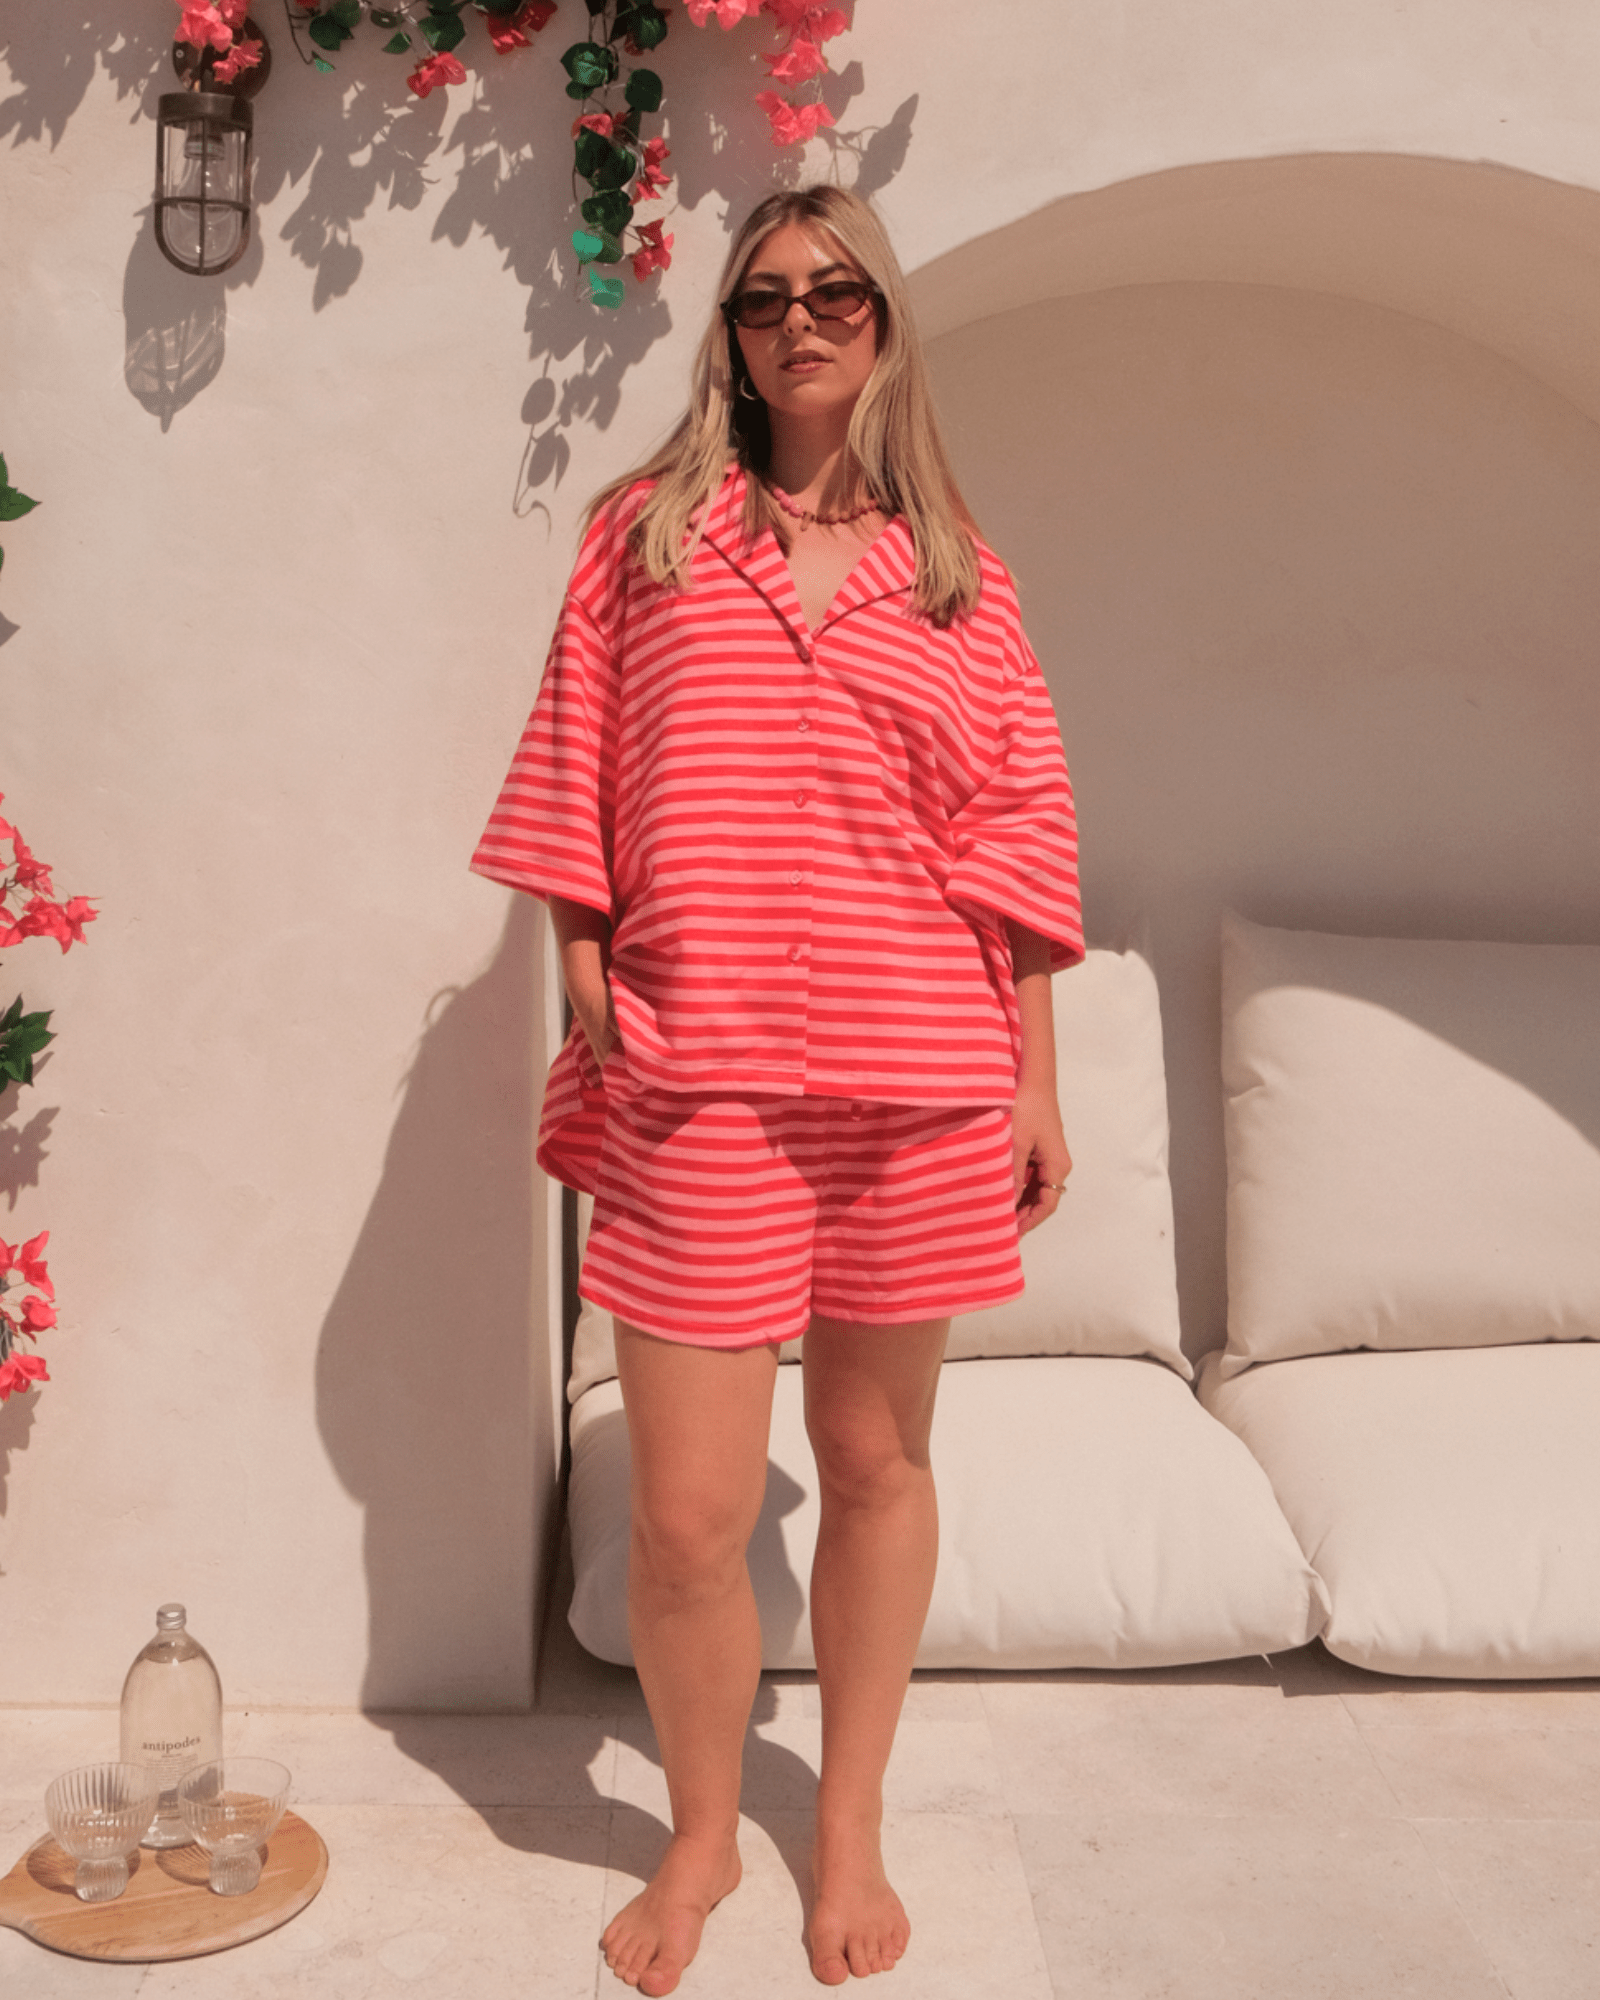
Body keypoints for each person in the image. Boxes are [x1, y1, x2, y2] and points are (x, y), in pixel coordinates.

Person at [473, 185, 1082, 1995]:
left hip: (923, 1068)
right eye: (762, 297)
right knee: (685, 1518)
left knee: (876, 1463)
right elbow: (575, 756)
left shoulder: (961, 573)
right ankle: (701, 1830)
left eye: (835, 292)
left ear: (883, 320)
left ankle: (851, 1823)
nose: (799, 319)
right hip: (698, 1071)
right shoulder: (646, 534)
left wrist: (1037, 1081)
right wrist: (586, 964)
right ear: (729, 334)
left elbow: (1018, 837)